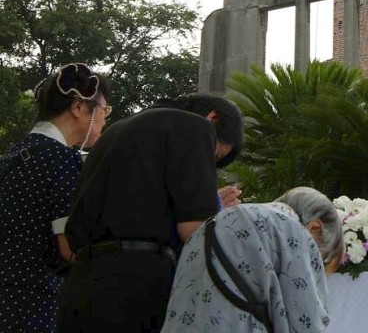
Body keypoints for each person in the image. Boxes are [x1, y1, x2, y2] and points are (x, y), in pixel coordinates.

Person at [57, 92, 243, 333]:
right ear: (213, 118)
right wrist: (217, 213)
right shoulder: (197, 126)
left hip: (82, 285)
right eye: (213, 156)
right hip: (136, 290)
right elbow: (194, 231)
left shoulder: (117, 130)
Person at [0, 63, 111, 333]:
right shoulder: (62, 160)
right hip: (32, 304)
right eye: (104, 110)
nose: (105, 120)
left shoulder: (12, 157)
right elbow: (71, 248)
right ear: (79, 107)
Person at [162, 186, 345, 333]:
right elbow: (306, 319)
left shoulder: (214, 223)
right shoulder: (291, 230)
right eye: (317, 259)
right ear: (314, 227)